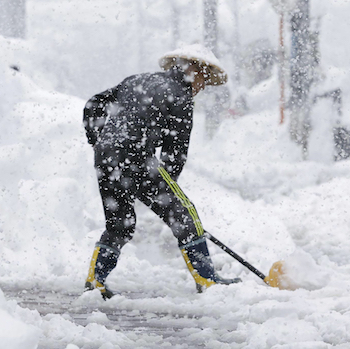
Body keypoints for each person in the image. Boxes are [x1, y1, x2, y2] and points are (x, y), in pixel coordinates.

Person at [82, 44, 241, 299]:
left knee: (120, 224)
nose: (202, 88)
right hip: (137, 158)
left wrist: (99, 141)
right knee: (185, 213)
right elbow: (174, 154)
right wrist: (166, 194)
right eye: (204, 81)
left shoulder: (137, 81)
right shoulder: (180, 96)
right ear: (195, 72)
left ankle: (95, 279)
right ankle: (207, 279)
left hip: (106, 158)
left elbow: (93, 104)